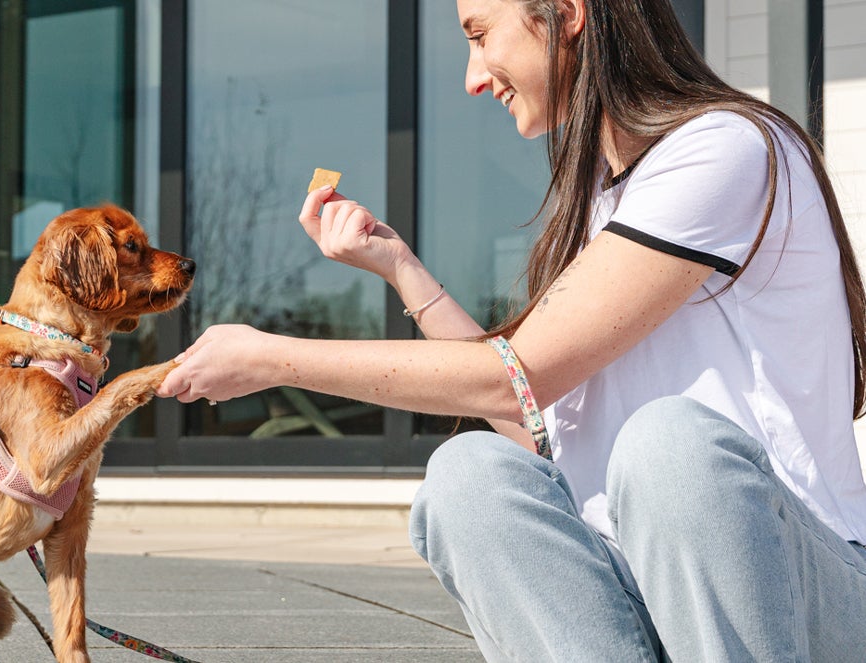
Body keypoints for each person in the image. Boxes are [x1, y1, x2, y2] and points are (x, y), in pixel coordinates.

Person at [155, 0, 866, 659]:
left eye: (478, 34)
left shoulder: (725, 149)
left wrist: (276, 358)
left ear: (567, 14)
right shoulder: (603, 201)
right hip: (644, 584)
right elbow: (540, 419)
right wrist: (400, 266)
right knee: (468, 477)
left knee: (668, 450)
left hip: (797, 589)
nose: (471, 78)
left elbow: (516, 373)